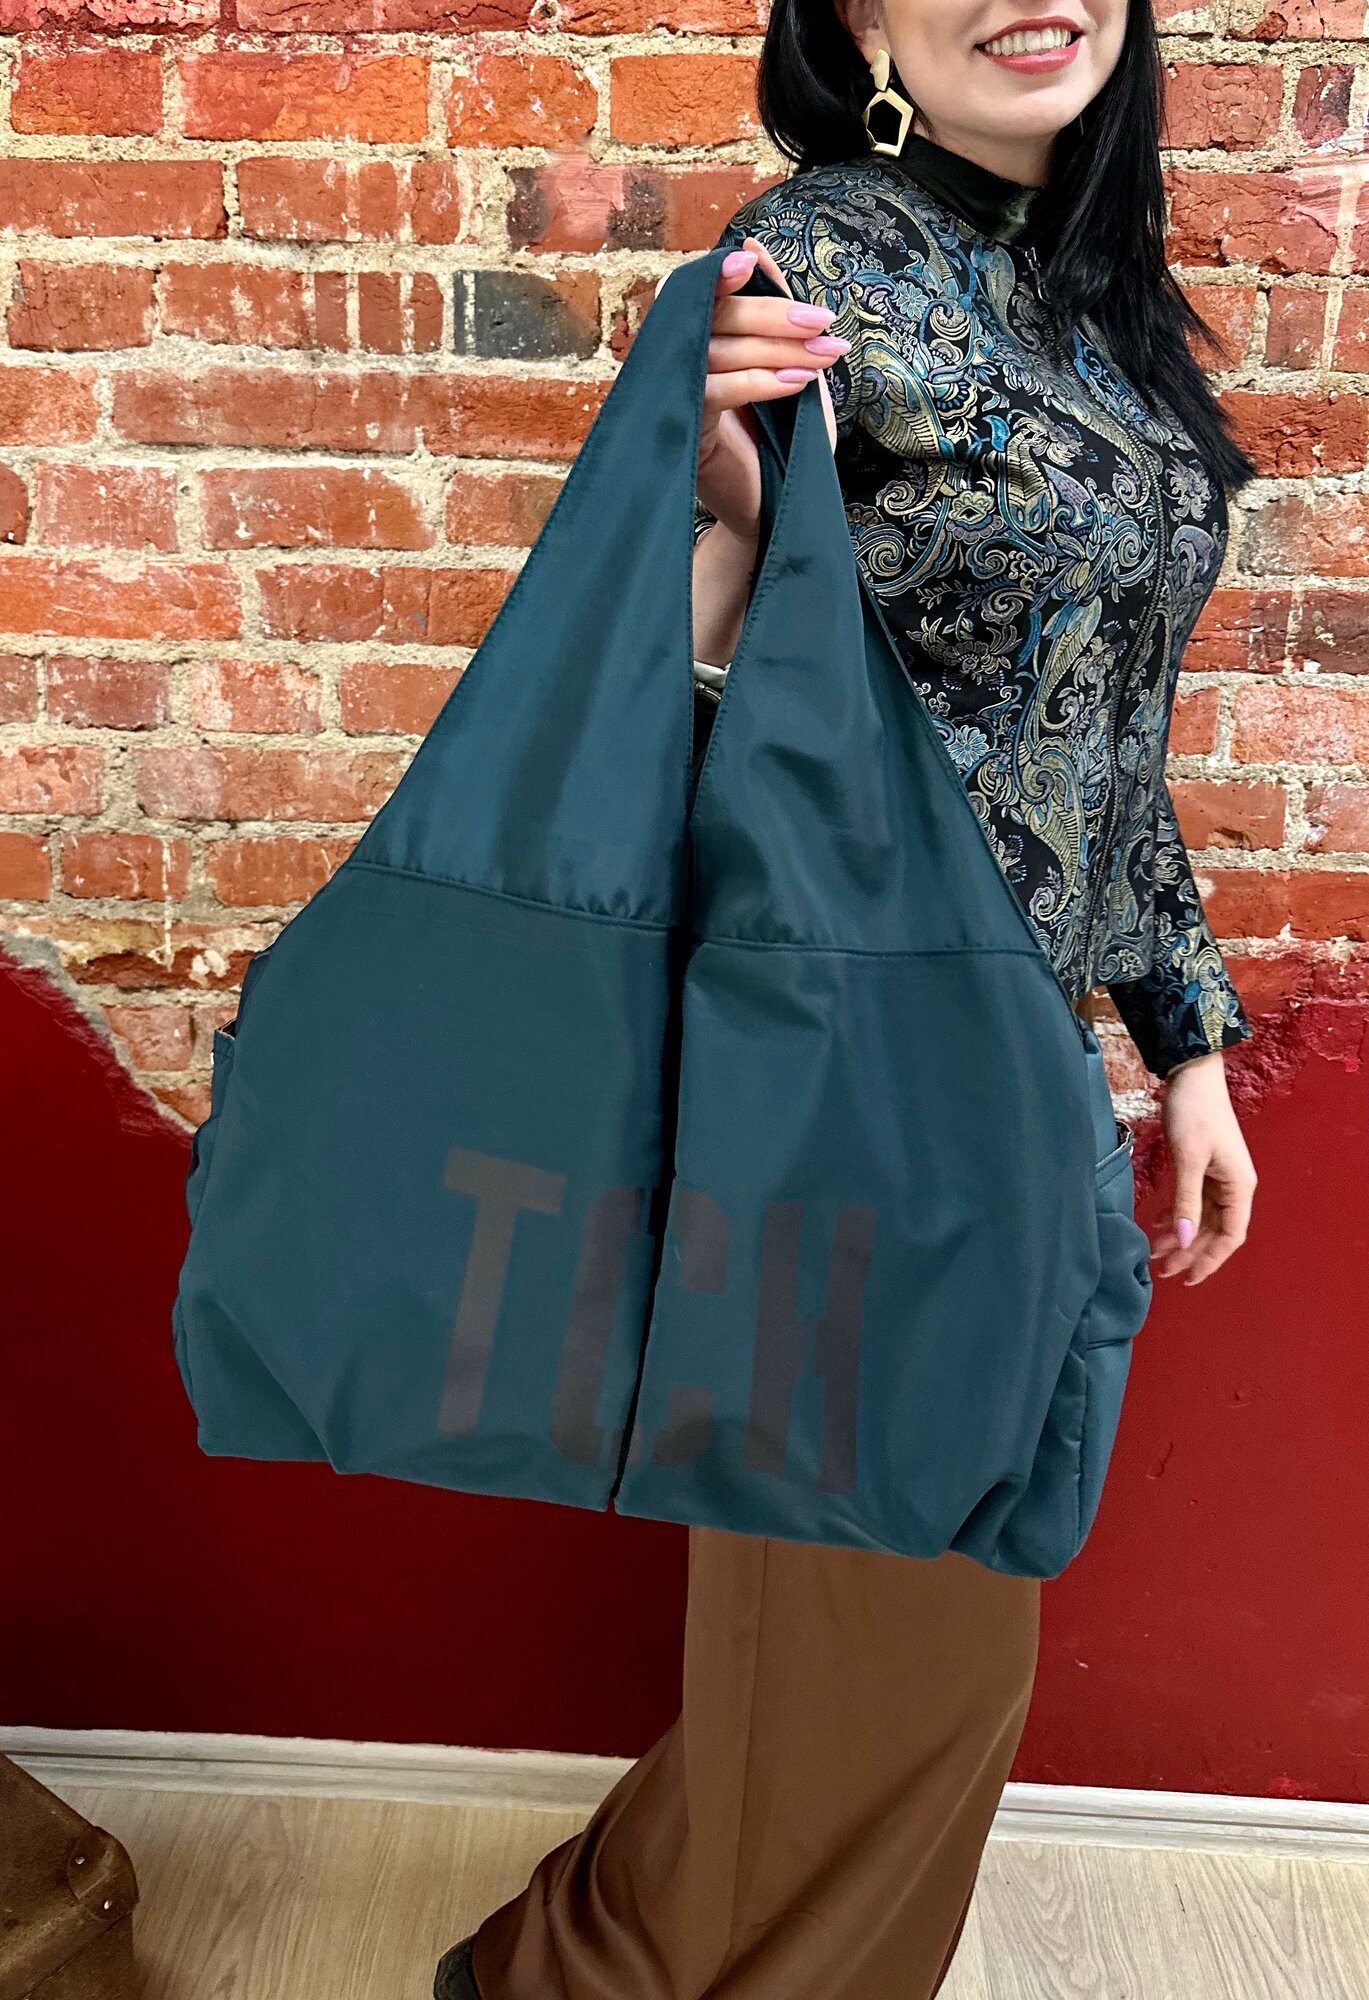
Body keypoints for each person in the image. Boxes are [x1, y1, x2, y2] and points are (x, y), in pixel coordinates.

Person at [435, 0, 1261, 1991]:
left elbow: (1094, 741)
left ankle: (563, 1968)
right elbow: (638, 681)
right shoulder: (814, 260)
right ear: (859, 22)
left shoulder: (1097, 295)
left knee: (891, 1638)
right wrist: (721, 509)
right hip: (843, 1050)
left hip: (1016, 1064)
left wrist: (1185, 1043)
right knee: (876, 1641)